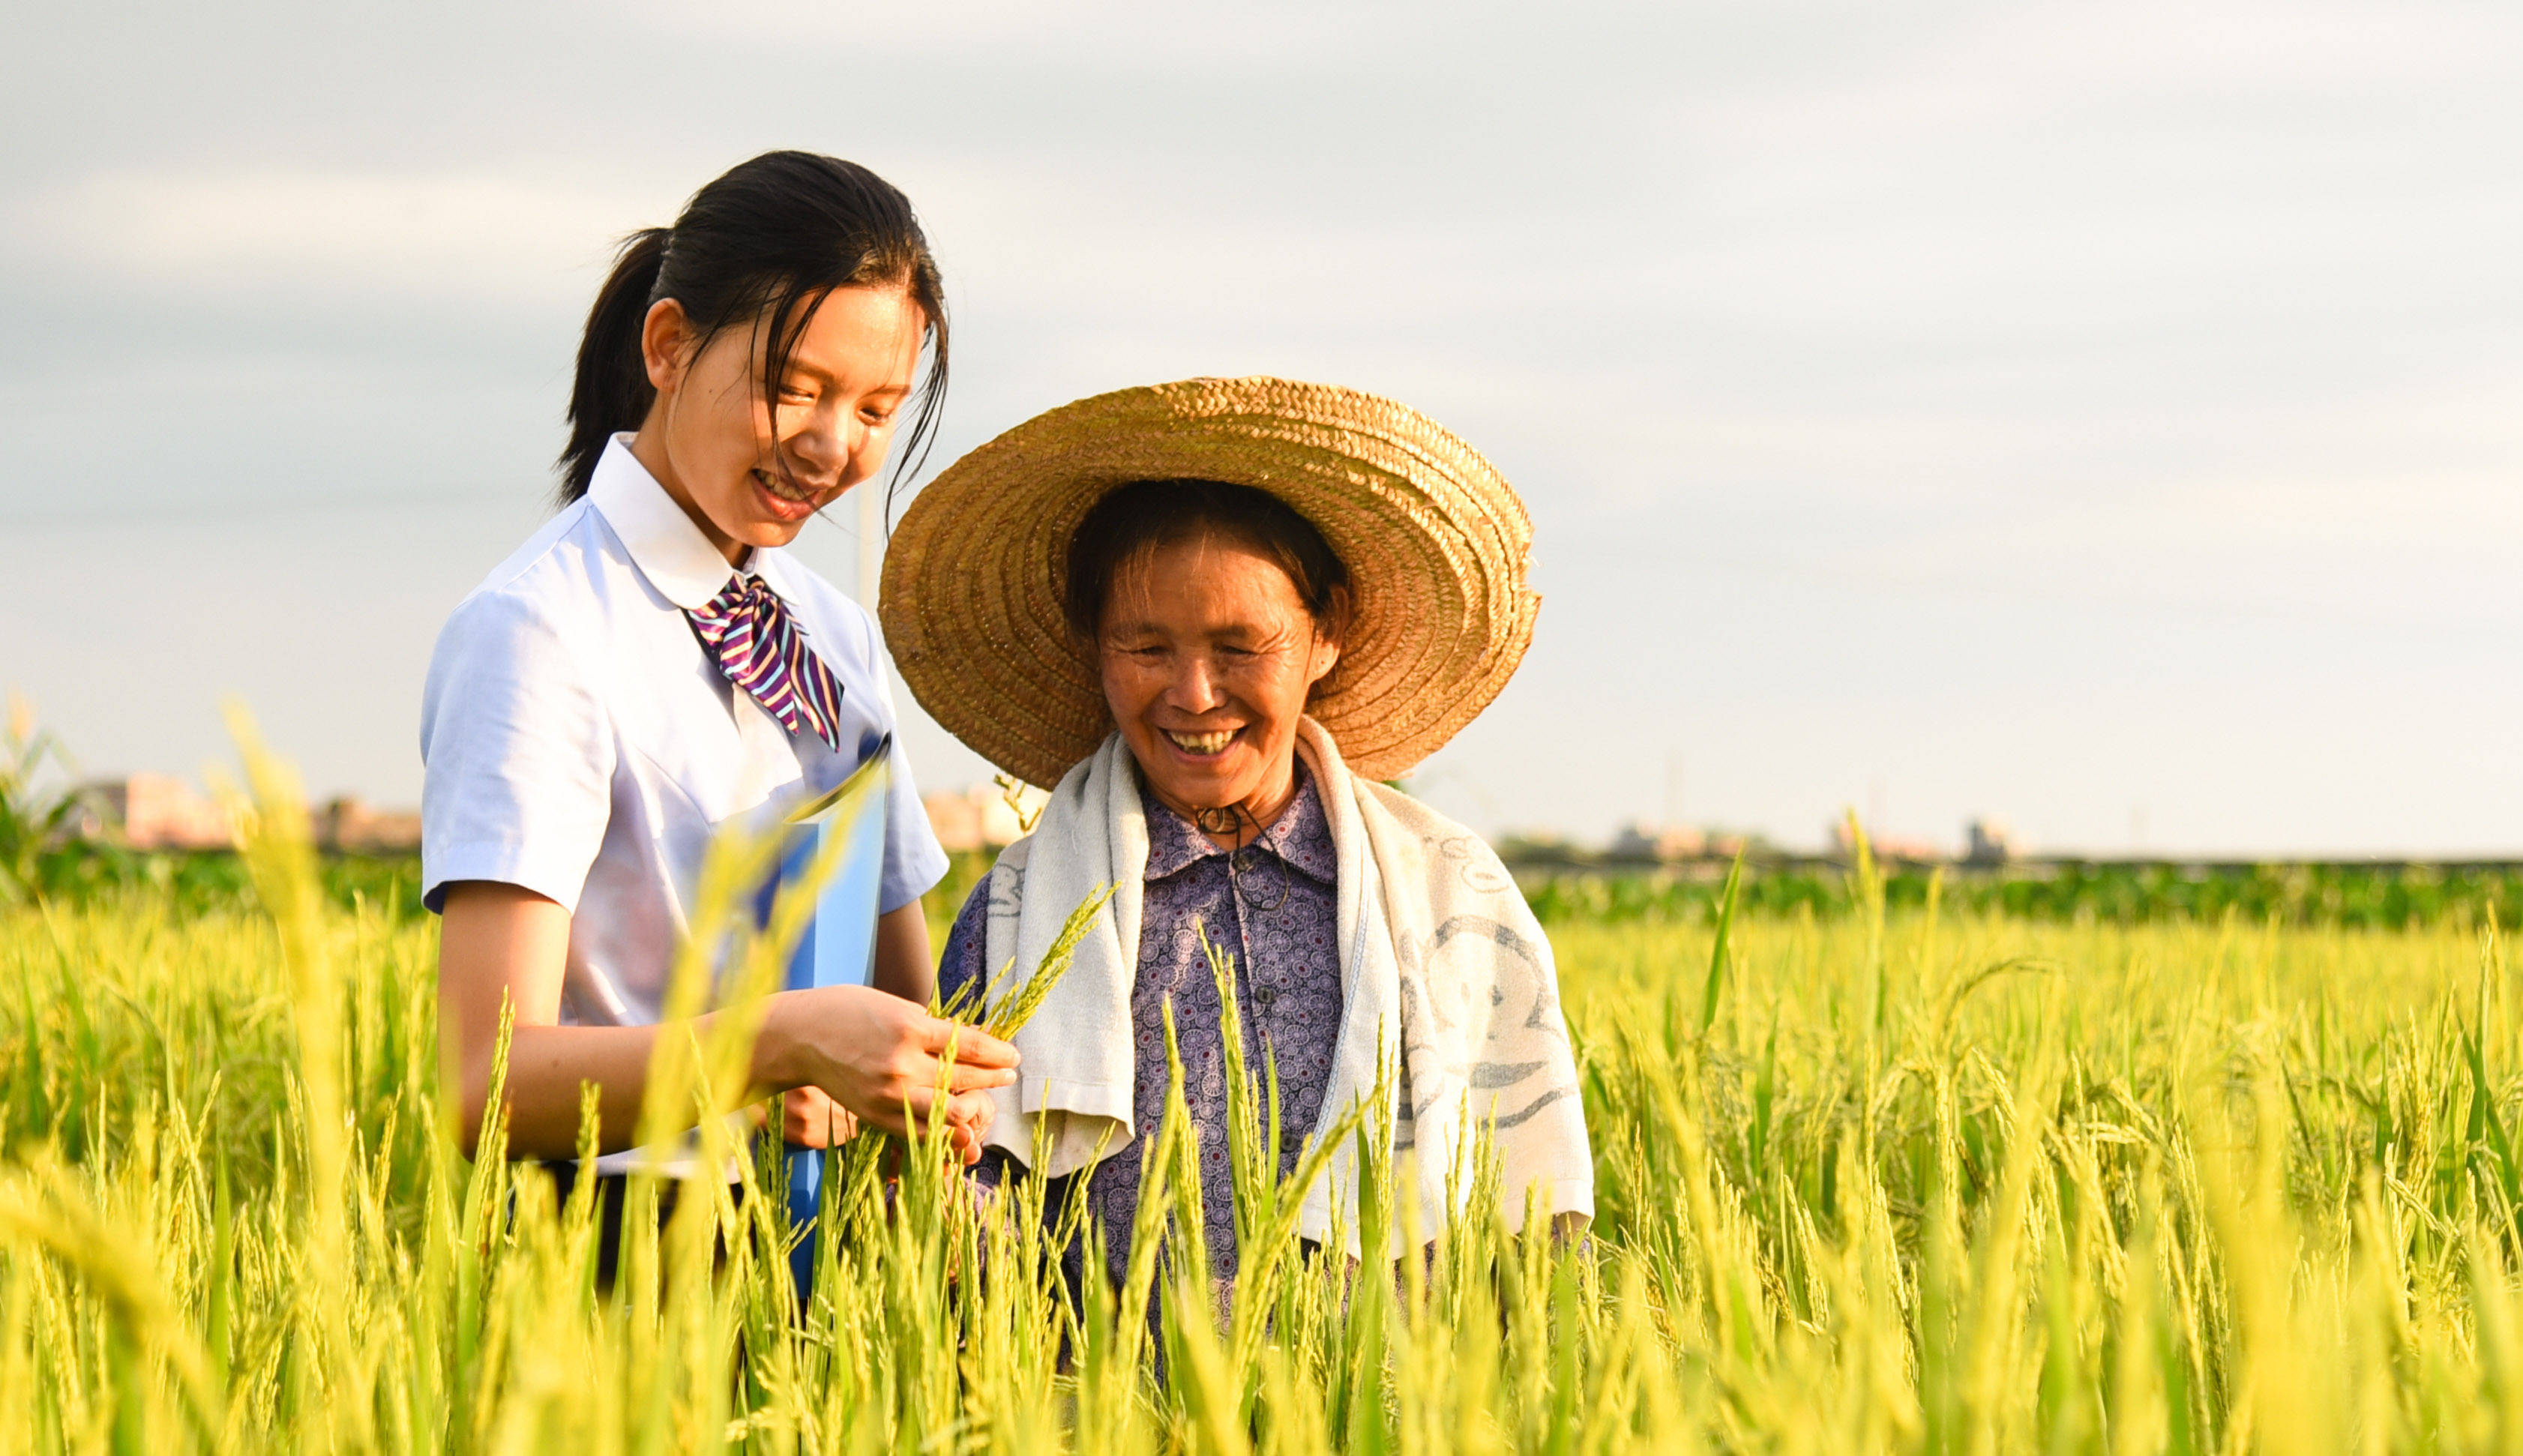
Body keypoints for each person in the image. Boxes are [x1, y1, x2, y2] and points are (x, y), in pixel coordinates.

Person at [879, 376, 1592, 1308]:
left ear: (1325, 633)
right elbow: (972, 1211)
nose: (1194, 694)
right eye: (1146, 648)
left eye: (1239, 646)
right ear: (1093, 645)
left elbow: (1526, 1220)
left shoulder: (1449, 893)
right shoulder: (1021, 914)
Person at [420, 152, 1019, 1236]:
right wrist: (776, 1046)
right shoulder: (542, 630)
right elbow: (484, 1085)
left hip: (823, 1240)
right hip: (611, 1243)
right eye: (793, 388)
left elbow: (901, 995)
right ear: (667, 347)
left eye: (876, 408)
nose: (832, 446)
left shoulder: (833, 636)